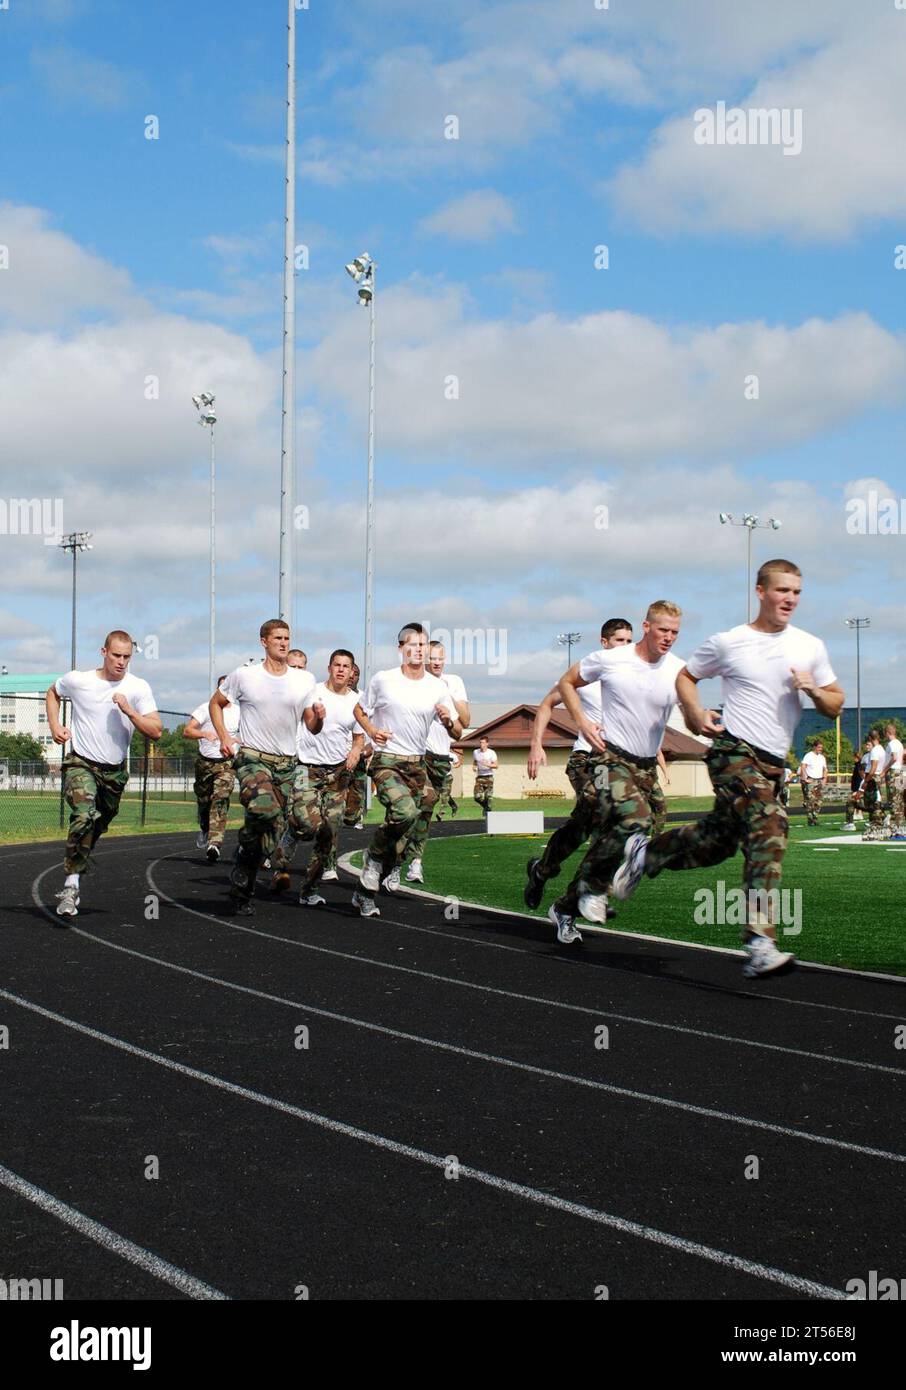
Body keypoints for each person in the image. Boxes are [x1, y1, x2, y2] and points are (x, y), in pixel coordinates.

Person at [610, 560, 844, 978]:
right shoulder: (730, 642)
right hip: (732, 751)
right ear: (761, 592)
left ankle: (645, 854)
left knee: (715, 844)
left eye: (797, 592)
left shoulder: (810, 646)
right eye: (782, 590)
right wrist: (695, 711)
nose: (790, 598)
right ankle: (760, 940)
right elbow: (686, 676)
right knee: (770, 824)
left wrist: (813, 688)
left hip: (773, 767)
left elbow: (835, 704)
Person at [552, 602, 685, 945]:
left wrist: (709, 723)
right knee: (633, 823)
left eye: (675, 632)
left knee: (647, 835)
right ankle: (587, 884)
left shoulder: (678, 668)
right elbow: (566, 683)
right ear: (646, 626)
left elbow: (692, 707)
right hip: (609, 760)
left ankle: (568, 905)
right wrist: (580, 721)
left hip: (645, 768)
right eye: (662, 630)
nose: (668, 637)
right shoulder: (611, 659)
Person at [210, 619, 324, 914]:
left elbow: (311, 725)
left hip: (289, 764)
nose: (284, 643)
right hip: (253, 757)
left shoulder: (304, 680)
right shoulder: (244, 676)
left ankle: (246, 848)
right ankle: (243, 891)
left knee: (308, 824)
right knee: (266, 810)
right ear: (264, 641)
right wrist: (224, 736)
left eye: (287, 638)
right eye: (277, 638)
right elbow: (216, 703)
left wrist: (320, 716)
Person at [46, 630, 161, 919]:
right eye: (116, 655)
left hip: (114, 774)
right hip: (81, 763)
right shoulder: (79, 680)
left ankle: (79, 859)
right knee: (84, 816)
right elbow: (52, 693)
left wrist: (130, 711)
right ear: (103, 652)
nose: (121, 662)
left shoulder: (137, 687)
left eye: (127, 657)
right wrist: (54, 726)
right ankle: (71, 885)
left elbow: (156, 730)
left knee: (96, 826)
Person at [352, 623, 463, 918]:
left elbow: (458, 733)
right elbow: (359, 711)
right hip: (387, 759)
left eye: (423, 645)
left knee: (411, 824)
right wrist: (372, 731)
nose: (417, 650)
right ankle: (373, 861)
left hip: (418, 764)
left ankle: (365, 891)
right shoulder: (383, 680)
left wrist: (449, 721)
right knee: (404, 812)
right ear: (400, 648)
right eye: (411, 644)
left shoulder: (437, 687)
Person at [524, 617, 633, 909]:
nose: (625, 646)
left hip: (617, 763)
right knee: (599, 807)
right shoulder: (586, 673)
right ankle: (592, 886)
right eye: (620, 640)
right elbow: (546, 704)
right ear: (605, 643)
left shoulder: (633, 676)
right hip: (586, 759)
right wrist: (537, 744)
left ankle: (542, 870)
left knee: (583, 826)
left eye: (629, 641)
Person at [276, 649, 365, 905]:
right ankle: (291, 835)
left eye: (345, 666)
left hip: (338, 773)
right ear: (329, 668)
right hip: (307, 768)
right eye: (336, 665)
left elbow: (359, 738)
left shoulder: (356, 703)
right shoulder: (313, 692)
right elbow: (309, 723)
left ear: (351, 673)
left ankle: (309, 891)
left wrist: (355, 752)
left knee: (329, 831)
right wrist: (317, 716)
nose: (340, 670)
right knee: (307, 824)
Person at [403, 640, 470, 883]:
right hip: (418, 755)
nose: (436, 662)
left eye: (440, 658)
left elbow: (465, 720)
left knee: (426, 812)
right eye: (431, 658)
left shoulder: (454, 683)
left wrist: (447, 698)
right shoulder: (415, 683)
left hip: (441, 757)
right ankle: (402, 862)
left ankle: (413, 862)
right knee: (412, 809)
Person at [184, 676, 240, 862]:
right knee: (204, 801)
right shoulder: (205, 708)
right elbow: (187, 731)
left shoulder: (240, 712)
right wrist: (203, 733)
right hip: (205, 764)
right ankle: (204, 827)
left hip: (227, 763)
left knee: (220, 798)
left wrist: (241, 740)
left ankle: (214, 843)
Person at [798, 738, 828, 827]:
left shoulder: (822, 757)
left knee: (818, 802)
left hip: (819, 780)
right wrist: (805, 778)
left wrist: (824, 779)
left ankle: (815, 818)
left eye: (821, 748)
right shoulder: (809, 755)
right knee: (810, 801)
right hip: (811, 781)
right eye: (819, 747)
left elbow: (825, 769)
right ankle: (810, 820)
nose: (820, 749)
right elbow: (803, 766)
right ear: (814, 747)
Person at [882, 723, 905, 831]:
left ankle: (896, 825)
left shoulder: (892, 744)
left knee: (894, 799)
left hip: (893, 773)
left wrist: (884, 770)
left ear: (888, 733)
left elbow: (894, 758)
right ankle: (898, 823)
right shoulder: (899, 743)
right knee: (899, 800)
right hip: (899, 772)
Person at [472, 736, 498, 810]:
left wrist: (488, 765)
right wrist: (474, 766)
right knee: (477, 797)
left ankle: (487, 809)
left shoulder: (491, 753)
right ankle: (486, 807)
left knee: (488, 797)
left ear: (487, 744)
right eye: (480, 743)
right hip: (480, 777)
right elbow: (475, 761)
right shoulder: (475, 752)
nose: (481, 744)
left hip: (489, 777)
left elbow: (496, 765)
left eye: (483, 743)